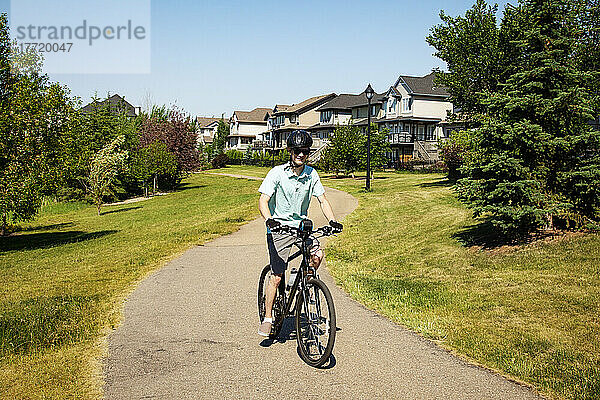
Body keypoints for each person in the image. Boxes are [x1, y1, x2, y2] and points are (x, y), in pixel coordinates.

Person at [257, 130, 343, 337]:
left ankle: (305, 278)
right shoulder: (277, 173)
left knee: (317, 255)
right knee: (277, 277)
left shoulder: (311, 174)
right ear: (290, 151)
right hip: (279, 228)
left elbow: (322, 200)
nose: (301, 155)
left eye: (305, 151)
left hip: (300, 227)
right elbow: (263, 201)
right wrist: (270, 219)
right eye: (297, 151)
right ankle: (268, 318)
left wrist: (333, 221)